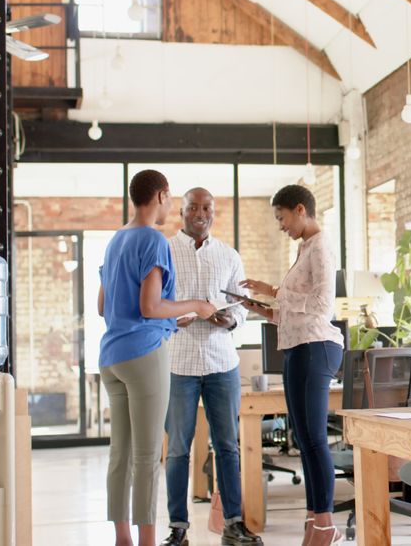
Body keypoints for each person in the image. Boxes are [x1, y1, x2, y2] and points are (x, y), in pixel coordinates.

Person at [97, 170, 217, 546]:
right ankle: (148, 541)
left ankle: (122, 539)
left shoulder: (117, 239)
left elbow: (104, 306)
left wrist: (171, 319)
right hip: (144, 355)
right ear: (163, 195)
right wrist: (198, 304)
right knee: (148, 455)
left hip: (111, 357)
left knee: (121, 452)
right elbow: (149, 307)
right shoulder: (153, 239)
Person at [241, 185, 345, 546]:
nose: (281, 226)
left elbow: (321, 306)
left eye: (281, 217)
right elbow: (294, 313)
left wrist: (273, 289)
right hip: (298, 347)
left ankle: (325, 525)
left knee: (315, 439)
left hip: (316, 347)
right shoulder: (304, 248)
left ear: (300, 210)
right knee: (304, 439)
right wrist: (260, 308)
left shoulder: (322, 246)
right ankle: (316, 518)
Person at [160, 188, 262, 546]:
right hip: (178, 363)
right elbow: (157, 305)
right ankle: (178, 528)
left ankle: (233, 524)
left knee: (228, 446)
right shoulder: (166, 251)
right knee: (177, 449)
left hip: (222, 363)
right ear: (182, 212)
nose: (200, 213)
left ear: (213, 212)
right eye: (193, 208)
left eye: (206, 208)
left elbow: (242, 307)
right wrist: (177, 319)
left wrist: (229, 321)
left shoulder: (228, 256)